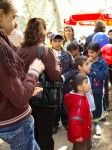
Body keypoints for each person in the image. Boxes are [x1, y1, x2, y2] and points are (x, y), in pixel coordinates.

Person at [0, 1, 45, 149]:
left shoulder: (5, 41)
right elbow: (19, 97)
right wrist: (33, 72)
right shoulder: (2, 49)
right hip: (14, 122)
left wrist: (27, 87)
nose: (15, 24)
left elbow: (7, 84)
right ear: (1, 15)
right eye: (13, 17)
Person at [17, 18, 61, 150]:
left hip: (24, 97)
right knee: (45, 134)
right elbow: (55, 76)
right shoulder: (45, 50)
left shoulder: (19, 50)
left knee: (32, 133)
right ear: (42, 31)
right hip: (43, 98)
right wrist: (58, 62)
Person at [50, 33, 78, 134]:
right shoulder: (48, 54)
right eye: (55, 41)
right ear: (51, 42)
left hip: (66, 85)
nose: (57, 43)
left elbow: (73, 69)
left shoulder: (68, 55)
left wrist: (63, 77)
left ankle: (66, 122)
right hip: (53, 86)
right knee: (55, 105)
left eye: (59, 41)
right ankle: (54, 124)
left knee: (66, 105)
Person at [65, 74, 92, 150]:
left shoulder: (81, 97)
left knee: (87, 146)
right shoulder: (79, 103)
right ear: (80, 87)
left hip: (85, 130)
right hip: (81, 135)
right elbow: (74, 120)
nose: (89, 84)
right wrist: (78, 135)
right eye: (86, 82)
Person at [87, 42, 108, 135]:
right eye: (89, 52)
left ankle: (96, 124)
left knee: (97, 107)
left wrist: (92, 69)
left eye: (92, 52)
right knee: (87, 108)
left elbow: (103, 76)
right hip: (86, 90)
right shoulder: (86, 61)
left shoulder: (103, 62)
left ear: (98, 52)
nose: (90, 55)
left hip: (97, 89)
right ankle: (88, 125)